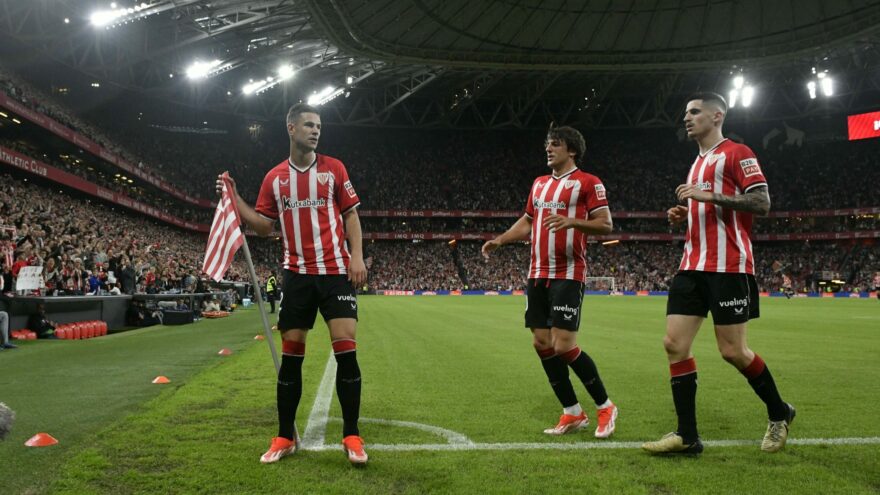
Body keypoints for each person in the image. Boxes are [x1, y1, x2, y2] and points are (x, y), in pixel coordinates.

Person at [642, 93, 795, 455]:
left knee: (733, 351)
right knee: (673, 344)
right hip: (691, 265)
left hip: (728, 267)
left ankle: (779, 412)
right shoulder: (696, 164)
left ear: (717, 115)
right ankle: (687, 436)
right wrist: (687, 214)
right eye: (685, 113)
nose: (687, 118)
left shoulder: (738, 153)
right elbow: (707, 207)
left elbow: (762, 202)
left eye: (694, 112)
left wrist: (710, 197)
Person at [217, 103, 369, 465]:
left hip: (335, 273)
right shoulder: (275, 178)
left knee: (346, 351)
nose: (315, 131)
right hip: (297, 275)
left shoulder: (334, 169)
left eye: (318, 126)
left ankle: (352, 435)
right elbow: (265, 226)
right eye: (308, 125)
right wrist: (235, 199)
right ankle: (285, 436)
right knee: (291, 358)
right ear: (290, 128)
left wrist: (357, 255)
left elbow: (351, 214)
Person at [482, 124, 619, 439]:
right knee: (542, 343)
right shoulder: (539, 184)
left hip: (568, 273)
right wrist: (500, 240)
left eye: (555, 144)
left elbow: (606, 224)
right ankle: (572, 411)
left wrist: (573, 221)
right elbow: (528, 222)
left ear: (571, 150)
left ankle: (605, 406)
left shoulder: (588, 183)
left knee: (564, 345)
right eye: (547, 144)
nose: (548, 148)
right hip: (537, 273)